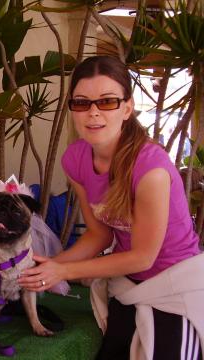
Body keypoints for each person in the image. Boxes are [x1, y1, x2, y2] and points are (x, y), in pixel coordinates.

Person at [17, 56, 204, 360]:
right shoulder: (75, 159)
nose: (93, 112)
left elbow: (143, 257)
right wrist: (48, 268)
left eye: (107, 102)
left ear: (127, 108)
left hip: (175, 286)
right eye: (82, 102)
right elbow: (99, 235)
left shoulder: (151, 167)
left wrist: (64, 270)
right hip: (129, 285)